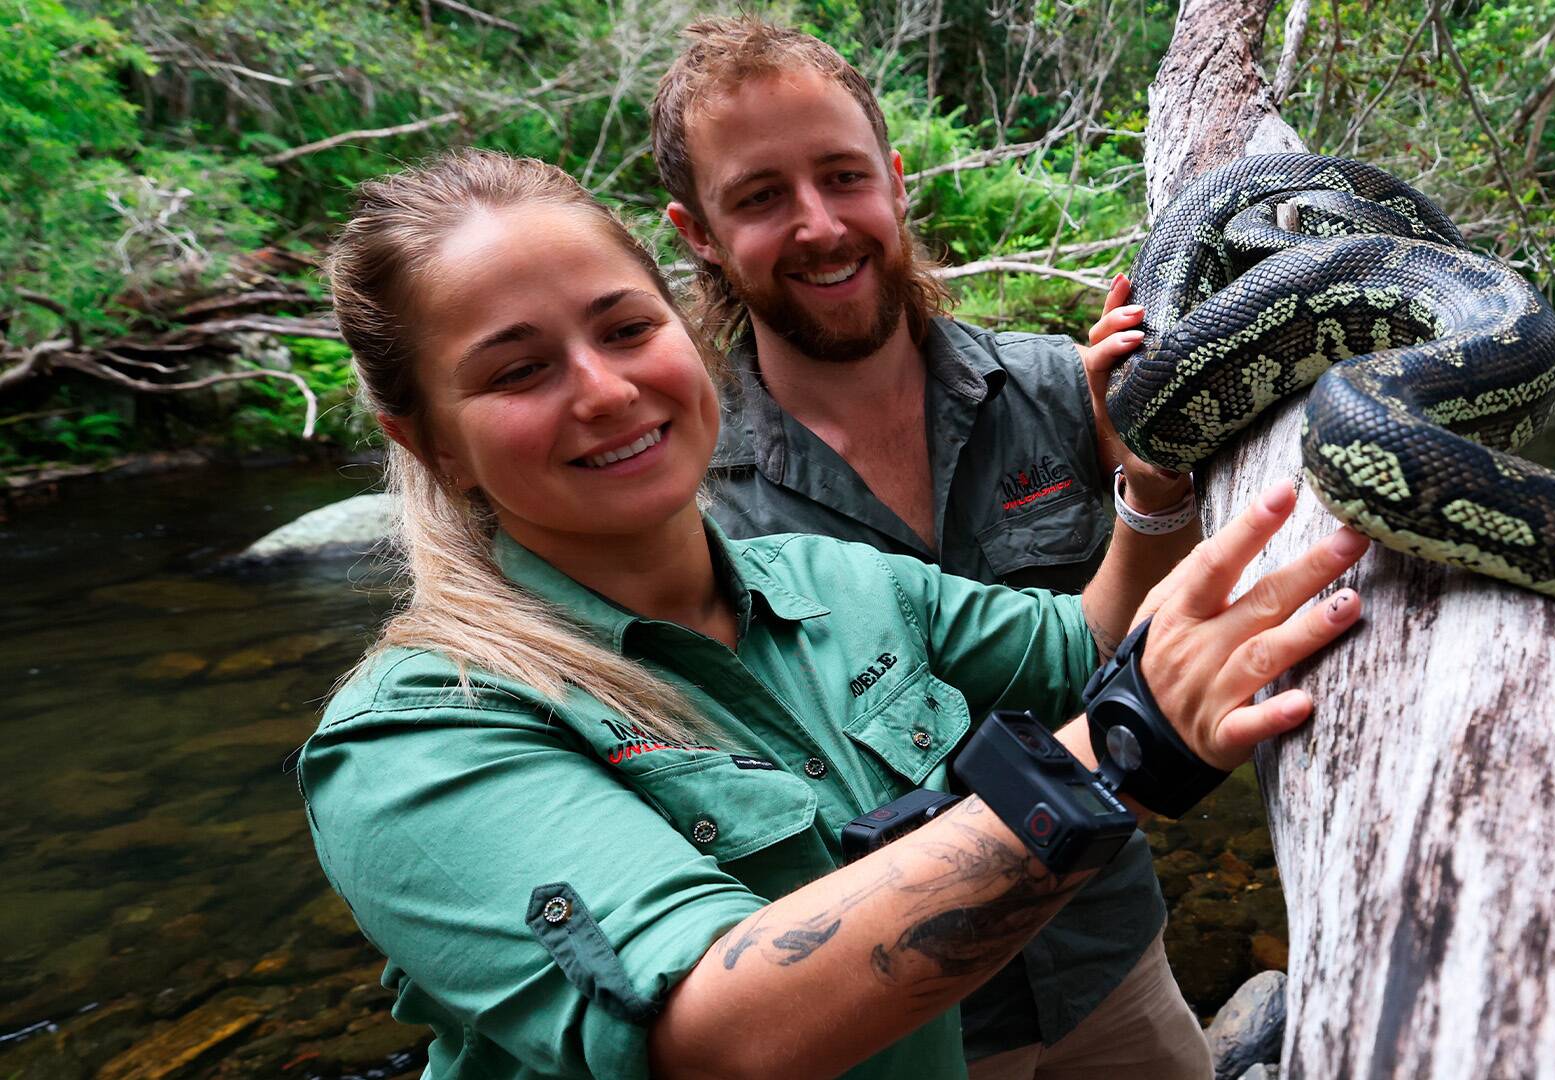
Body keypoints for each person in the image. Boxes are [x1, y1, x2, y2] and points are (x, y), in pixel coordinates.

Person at [300, 148, 1370, 1080]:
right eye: (519, 370)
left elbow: (1079, 646)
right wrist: (1126, 754)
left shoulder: (831, 578)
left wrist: (1153, 487)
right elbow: (717, 1039)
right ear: (429, 440)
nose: (607, 391)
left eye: (625, 328)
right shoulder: (415, 739)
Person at [649, 20, 1204, 1075]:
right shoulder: (680, 496)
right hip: (895, 1031)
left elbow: (1169, 629)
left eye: (843, 176)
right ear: (698, 233)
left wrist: (1156, 476)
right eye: (760, 196)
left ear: (896, 182)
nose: (819, 225)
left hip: (1110, 962)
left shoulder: (1061, 389)